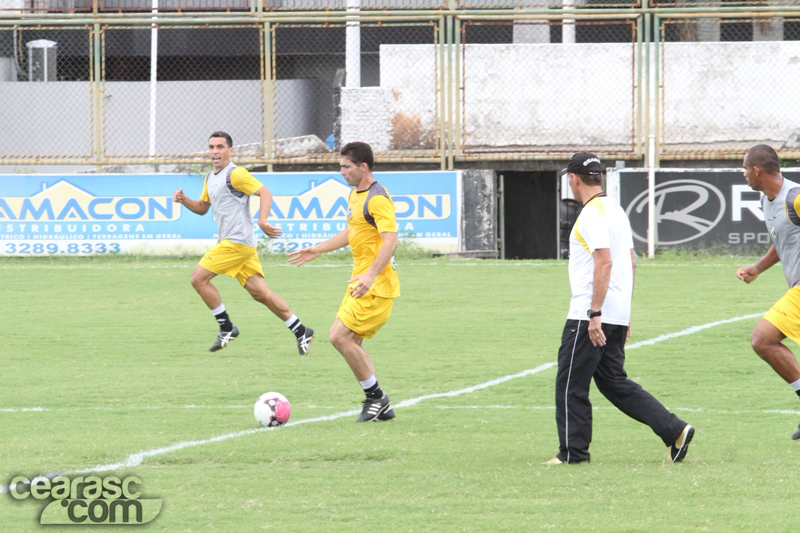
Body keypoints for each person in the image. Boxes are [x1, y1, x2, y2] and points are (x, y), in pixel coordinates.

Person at [547, 152, 694, 464]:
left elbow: (605, 263)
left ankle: (572, 454)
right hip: (616, 313)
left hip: (590, 315)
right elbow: (632, 263)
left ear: (573, 179)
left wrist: (595, 314)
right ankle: (674, 430)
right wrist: (622, 314)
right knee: (613, 382)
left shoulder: (591, 215)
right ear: (599, 177)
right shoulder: (615, 210)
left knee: (570, 383)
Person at [173, 131, 315, 355]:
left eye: (220, 147)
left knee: (198, 279)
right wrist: (184, 201)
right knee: (261, 294)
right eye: (211, 147)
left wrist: (262, 220)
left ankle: (226, 327)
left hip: (236, 243)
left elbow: (265, 192)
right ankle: (301, 330)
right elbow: (202, 208)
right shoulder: (210, 177)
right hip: (240, 245)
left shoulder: (236, 174)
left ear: (230, 151)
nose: (215, 152)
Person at [288, 141, 400, 422]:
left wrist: (371, 274)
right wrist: (318, 249)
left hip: (375, 287)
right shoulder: (356, 195)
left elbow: (392, 240)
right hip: (360, 284)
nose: (341, 171)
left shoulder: (377, 198)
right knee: (351, 343)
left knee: (338, 337)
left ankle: (376, 398)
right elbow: (353, 232)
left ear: (362, 167)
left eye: (345, 166)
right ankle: (378, 402)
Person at [737, 144, 800, 440]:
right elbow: (783, 240)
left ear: (757, 170)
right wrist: (758, 268)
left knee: (763, 339)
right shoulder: (767, 200)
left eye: (745, 169)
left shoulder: (796, 198)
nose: (744, 174)